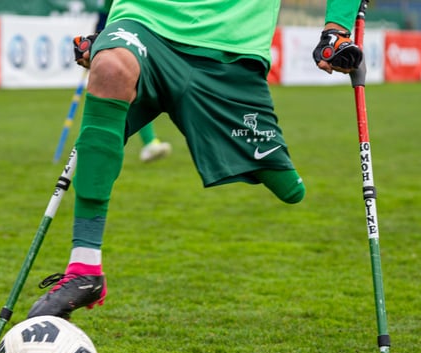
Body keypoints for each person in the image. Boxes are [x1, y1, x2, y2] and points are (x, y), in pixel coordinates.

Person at [28, 0, 363, 320]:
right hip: (146, 21)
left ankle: (191, 114)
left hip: (230, 48)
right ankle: (84, 269)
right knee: (111, 67)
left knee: (289, 189)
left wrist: (336, 28)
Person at [96, 0, 172, 163]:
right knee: (124, 92)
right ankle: (148, 143)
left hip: (135, 26)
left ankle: (149, 143)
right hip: (117, 27)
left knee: (133, 90)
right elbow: (107, 11)